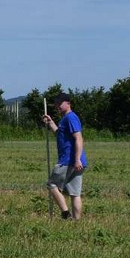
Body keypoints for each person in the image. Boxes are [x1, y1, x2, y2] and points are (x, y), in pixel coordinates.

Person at [42, 92, 87, 220]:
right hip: (77, 161)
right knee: (74, 193)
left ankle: (66, 214)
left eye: (59, 104)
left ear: (68, 103)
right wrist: (51, 123)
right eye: (56, 104)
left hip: (69, 160)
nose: (57, 106)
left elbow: (78, 138)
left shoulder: (70, 118)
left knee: (52, 184)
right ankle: (77, 223)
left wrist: (77, 159)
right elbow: (60, 134)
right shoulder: (64, 119)